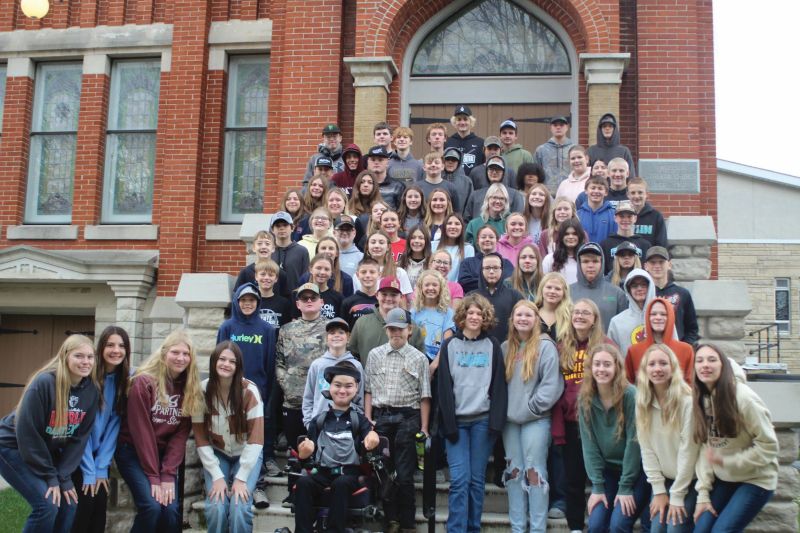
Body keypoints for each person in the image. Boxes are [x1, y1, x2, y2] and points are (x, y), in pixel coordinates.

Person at [0, 334, 99, 533]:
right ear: (65, 357)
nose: (85, 362)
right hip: (12, 447)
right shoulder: (44, 383)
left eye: (90, 357)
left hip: (43, 450)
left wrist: (63, 476)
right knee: (46, 506)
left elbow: (78, 440)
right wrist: (50, 476)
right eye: (79, 356)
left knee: (69, 504)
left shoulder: (91, 391)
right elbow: (28, 434)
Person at [115, 330, 205, 532]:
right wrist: (154, 477)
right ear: (164, 353)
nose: (181, 358)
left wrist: (167, 475)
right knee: (151, 507)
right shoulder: (144, 382)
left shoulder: (188, 388)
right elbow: (142, 433)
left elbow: (179, 436)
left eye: (186, 354)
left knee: (171, 510)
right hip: (133, 452)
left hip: (162, 456)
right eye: (175, 352)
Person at [437, 293, 508, 533]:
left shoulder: (492, 346)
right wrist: (448, 425)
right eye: (470, 313)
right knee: (459, 480)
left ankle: (472, 528)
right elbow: (443, 388)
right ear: (463, 316)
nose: (474, 317)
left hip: (482, 422)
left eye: (479, 313)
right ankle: (456, 530)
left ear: (484, 316)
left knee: (477, 481)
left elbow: (499, 386)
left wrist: (495, 425)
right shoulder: (450, 345)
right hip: (456, 424)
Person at [692, 343, 778, 533]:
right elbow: (706, 449)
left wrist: (727, 461)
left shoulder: (744, 399)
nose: (705, 365)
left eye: (712, 360)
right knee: (700, 529)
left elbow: (769, 446)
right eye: (699, 360)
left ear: (723, 366)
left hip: (756, 478)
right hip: (726, 477)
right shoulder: (700, 399)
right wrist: (703, 495)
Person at [364, 308, 431, 533]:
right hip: (382, 418)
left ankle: (408, 523)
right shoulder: (375, 355)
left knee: (404, 474)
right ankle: (390, 520)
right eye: (392, 328)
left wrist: (423, 427)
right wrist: (367, 418)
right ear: (386, 330)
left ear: (409, 330)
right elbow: (368, 390)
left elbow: (424, 396)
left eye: (400, 329)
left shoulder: (419, 358)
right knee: (384, 472)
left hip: (408, 418)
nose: (396, 333)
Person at [294, 361, 379, 533]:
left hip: (349, 473)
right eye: (337, 385)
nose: (342, 391)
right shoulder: (319, 420)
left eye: (348, 386)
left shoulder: (359, 420)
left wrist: (372, 439)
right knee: (303, 482)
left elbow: (370, 440)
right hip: (322, 472)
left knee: (341, 484)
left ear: (356, 388)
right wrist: (304, 454)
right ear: (330, 387)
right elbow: (306, 458)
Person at [502, 300, 563, 533]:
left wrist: (532, 408)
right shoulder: (505, 348)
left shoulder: (546, 347)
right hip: (510, 422)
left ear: (537, 320)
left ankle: (537, 529)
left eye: (529, 315)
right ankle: (518, 528)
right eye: (519, 315)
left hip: (536, 419)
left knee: (534, 472)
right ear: (512, 319)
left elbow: (550, 386)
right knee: (514, 473)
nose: (523, 319)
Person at [193, 341, 264, 533]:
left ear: (238, 366)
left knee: (239, 506)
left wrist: (241, 479)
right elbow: (200, 437)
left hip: (247, 454)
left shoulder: (249, 392)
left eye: (232, 361)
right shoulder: (201, 391)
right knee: (216, 505)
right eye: (222, 359)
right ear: (214, 361)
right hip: (218, 454)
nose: (226, 364)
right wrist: (216, 476)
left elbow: (256, 439)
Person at [552, 299, 610, 532]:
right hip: (570, 422)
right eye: (576, 312)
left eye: (586, 312)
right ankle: (575, 526)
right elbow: (557, 389)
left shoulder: (606, 345)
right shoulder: (562, 346)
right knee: (573, 480)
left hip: (598, 423)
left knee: (601, 478)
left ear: (594, 318)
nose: (580, 316)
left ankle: (601, 522)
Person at [579, 343, 649, 533]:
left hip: (637, 474)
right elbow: (589, 446)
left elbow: (634, 444)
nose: (601, 369)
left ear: (617, 367)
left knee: (618, 525)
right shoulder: (585, 398)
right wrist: (597, 487)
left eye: (607, 365)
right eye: (597, 364)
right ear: (590, 367)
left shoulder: (630, 395)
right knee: (595, 525)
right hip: (608, 473)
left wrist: (625, 487)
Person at [71, 327, 130, 533]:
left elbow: (114, 424)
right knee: (83, 509)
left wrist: (101, 467)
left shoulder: (123, 380)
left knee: (99, 513)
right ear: (101, 348)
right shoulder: (87, 379)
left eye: (121, 346)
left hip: (98, 459)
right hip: (77, 456)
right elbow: (80, 430)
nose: (116, 350)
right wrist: (89, 471)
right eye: (110, 345)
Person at [634, 344, 699, 533]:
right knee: (657, 529)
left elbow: (689, 452)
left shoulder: (687, 402)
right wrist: (659, 490)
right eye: (652, 364)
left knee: (674, 529)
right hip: (666, 481)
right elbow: (647, 450)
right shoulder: (642, 402)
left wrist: (677, 496)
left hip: (691, 481)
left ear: (673, 368)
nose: (657, 369)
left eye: (663, 363)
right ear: (645, 370)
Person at [275, 283, 328, 460]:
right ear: (298, 304)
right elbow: (279, 362)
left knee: (321, 451)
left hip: (321, 404)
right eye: (304, 298)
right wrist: (288, 387)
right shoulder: (286, 330)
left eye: (313, 297)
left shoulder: (332, 329)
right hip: (293, 402)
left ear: (321, 302)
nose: (309, 301)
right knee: (296, 452)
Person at [347, 276, 426, 365]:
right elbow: (351, 354)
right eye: (384, 294)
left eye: (393, 295)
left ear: (401, 297)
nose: (388, 298)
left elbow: (420, 358)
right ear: (377, 295)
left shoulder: (411, 325)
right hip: (369, 377)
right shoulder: (361, 323)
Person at [302, 318, 364, 426]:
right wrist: (309, 423)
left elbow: (360, 399)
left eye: (341, 332)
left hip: (348, 425)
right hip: (320, 424)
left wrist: (357, 423)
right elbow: (308, 397)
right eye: (332, 333)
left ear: (348, 337)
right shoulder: (317, 365)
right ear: (327, 338)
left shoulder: (356, 366)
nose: (336, 335)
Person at [626, 298, 693, 385]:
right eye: (653, 314)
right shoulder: (634, 351)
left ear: (671, 317)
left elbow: (690, 386)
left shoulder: (686, 350)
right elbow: (628, 385)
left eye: (663, 314)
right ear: (647, 318)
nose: (658, 317)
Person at [644, 247, 699, 345]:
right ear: (646, 266)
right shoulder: (641, 294)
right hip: (649, 350)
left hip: (677, 350)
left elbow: (692, 328)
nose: (657, 266)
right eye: (652, 262)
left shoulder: (683, 294)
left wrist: (685, 347)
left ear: (669, 265)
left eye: (661, 262)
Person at [569, 242, 628, 332]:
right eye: (585, 261)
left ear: (602, 263)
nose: (590, 265)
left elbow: (623, 329)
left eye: (595, 261)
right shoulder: (567, 292)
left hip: (607, 345)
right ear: (579, 264)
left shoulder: (617, 294)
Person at [473, 252, 524, 343]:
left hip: (508, 349)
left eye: (496, 268)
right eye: (487, 268)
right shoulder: (471, 296)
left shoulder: (515, 296)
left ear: (502, 270)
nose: (491, 271)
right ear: (481, 270)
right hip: (478, 350)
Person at [608, 269, 657, 356]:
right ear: (628, 289)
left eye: (643, 285)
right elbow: (612, 355)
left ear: (650, 287)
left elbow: (673, 347)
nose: (639, 289)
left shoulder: (661, 317)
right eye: (634, 286)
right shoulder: (617, 322)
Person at [411, 269, 455, 363]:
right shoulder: (414, 312)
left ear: (441, 288)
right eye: (427, 285)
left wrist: (434, 366)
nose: (431, 288)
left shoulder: (448, 313)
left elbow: (447, 342)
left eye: (435, 285)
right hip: (417, 359)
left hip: (439, 360)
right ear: (421, 288)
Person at [357, 230, 414, 301]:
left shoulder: (399, 272)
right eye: (373, 242)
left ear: (388, 247)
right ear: (367, 246)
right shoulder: (360, 273)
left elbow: (407, 302)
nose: (377, 246)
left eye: (381, 243)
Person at [457, 224, 514, 293]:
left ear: (497, 240)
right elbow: (464, 283)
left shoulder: (506, 264)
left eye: (491, 237)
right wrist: (493, 282)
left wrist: (479, 281)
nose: (487, 239)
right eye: (483, 237)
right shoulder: (467, 263)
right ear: (477, 241)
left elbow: (508, 283)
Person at [465, 156, 525, 221]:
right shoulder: (475, 195)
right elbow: (466, 219)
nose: (494, 172)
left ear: (503, 172)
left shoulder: (515, 195)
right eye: (491, 169)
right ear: (486, 171)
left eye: (498, 169)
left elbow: (518, 218)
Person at [600, 200, 650, 273]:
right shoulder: (605, 245)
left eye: (629, 216)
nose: (625, 220)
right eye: (621, 216)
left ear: (635, 218)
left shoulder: (645, 245)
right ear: (615, 218)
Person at [234, 230, 288, 295]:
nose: (263, 246)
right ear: (254, 248)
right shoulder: (245, 272)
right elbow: (236, 296)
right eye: (259, 244)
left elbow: (285, 297)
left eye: (267, 244)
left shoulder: (280, 273)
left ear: (273, 248)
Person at [271, 211, 311, 293]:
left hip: (295, 298)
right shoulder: (268, 251)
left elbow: (306, 278)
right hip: (273, 298)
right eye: (277, 226)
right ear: (272, 230)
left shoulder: (302, 251)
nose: (281, 228)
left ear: (292, 228)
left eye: (285, 225)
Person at [534, 115, 574, 193]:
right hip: (547, 194)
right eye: (555, 125)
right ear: (551, 128)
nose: (558, 127)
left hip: (570, 192)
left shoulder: (574, 149)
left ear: (567, 127)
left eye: (561, 125)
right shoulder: (541, 150)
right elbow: (536, 174)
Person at [542, 218, 586, 285]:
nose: (570, 237)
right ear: (561, 237)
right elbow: (543, 284)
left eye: (574, 234)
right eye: (566, 234)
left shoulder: (586, 260)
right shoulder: (549, 259)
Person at [628, 177, 668, 247]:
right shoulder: (623, 216)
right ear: (628, 195)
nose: (636, 196)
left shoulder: (656, 216)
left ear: (647, 194)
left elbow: (661, 244)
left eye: (640, 192)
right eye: (633, 193)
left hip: (649, 257)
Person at [341, 256, 380, 328]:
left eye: (372, 272)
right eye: (363, 272)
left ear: (379, 275)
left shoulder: (383, 301)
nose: (368, 275)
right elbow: (344, 329)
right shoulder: (347, 302)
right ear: (357, 275)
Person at [254, 258, 293, 330]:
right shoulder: (250, 301)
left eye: (270, 275)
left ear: (276, 279)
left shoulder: (284, 303)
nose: (266, 278)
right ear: (256, 276)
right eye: (262, 274)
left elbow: (286, 329)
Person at [445, 104, 485, 174]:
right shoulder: (447, 142)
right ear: (454, 122)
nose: (462, 122)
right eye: (459, 119)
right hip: (452, 183)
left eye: (465, 119)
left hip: (474, 184)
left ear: (471, 122)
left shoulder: (480, 143)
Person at [578, 175, 617, 244]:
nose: (596, 191)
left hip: (605, 254)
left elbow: (615, 239)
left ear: (606, 192)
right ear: (586, 191)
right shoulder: (578, 215)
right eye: (593, 188)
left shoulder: (613, 215)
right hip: (582, 254)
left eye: (600, 188)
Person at [436, 213, 474, 282]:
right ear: (444, 227)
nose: (453, 227)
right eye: (449, 223)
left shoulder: (468, 248)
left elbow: (467, 273)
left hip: (458, 289)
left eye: (457, 224)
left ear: (462, 227)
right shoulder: (433, 245)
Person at [535, 272, 572, 342]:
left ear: (564, 293)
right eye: (549, 287)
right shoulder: (532, 313)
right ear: (541, 289)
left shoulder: (571, 316)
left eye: (557, 289)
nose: (552, 291)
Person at [367, 145, 404, 210]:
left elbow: (402, 212)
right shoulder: (363, 185)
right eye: (373, 160)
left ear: (387, 162)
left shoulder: (398, 186)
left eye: (380, 160)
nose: (376, 162)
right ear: (368, 162)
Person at [440, 147, 475, 216]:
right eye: (447, 159)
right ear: (443, 161)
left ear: (459, 163)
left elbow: (470, 206)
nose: (450, 162)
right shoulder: (437, 179)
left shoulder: (467, 182)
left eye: (454, 160)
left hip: (458, 223)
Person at [523, 182, 551, 246]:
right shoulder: (521, 220)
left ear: (546, 199)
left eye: (541, 195)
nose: (537, 197)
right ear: (528, 198)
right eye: (534, 194)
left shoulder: (552, 221)